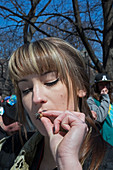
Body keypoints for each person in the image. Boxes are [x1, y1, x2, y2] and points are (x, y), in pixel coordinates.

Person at [2, 37, 113, 169]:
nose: (36, 98)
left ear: (81, 87)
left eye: (50, 82)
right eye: (26, 90)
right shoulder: (7, 150)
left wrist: (68, 163)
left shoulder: (108, 162)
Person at [87, 73, 113, 146]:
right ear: (96, 86)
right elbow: (99, 117)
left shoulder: (111, 101)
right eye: (101, 85)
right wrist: (105, 97)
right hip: (105, 143)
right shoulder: (91, 101)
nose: (104, 88)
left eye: (106, 84)